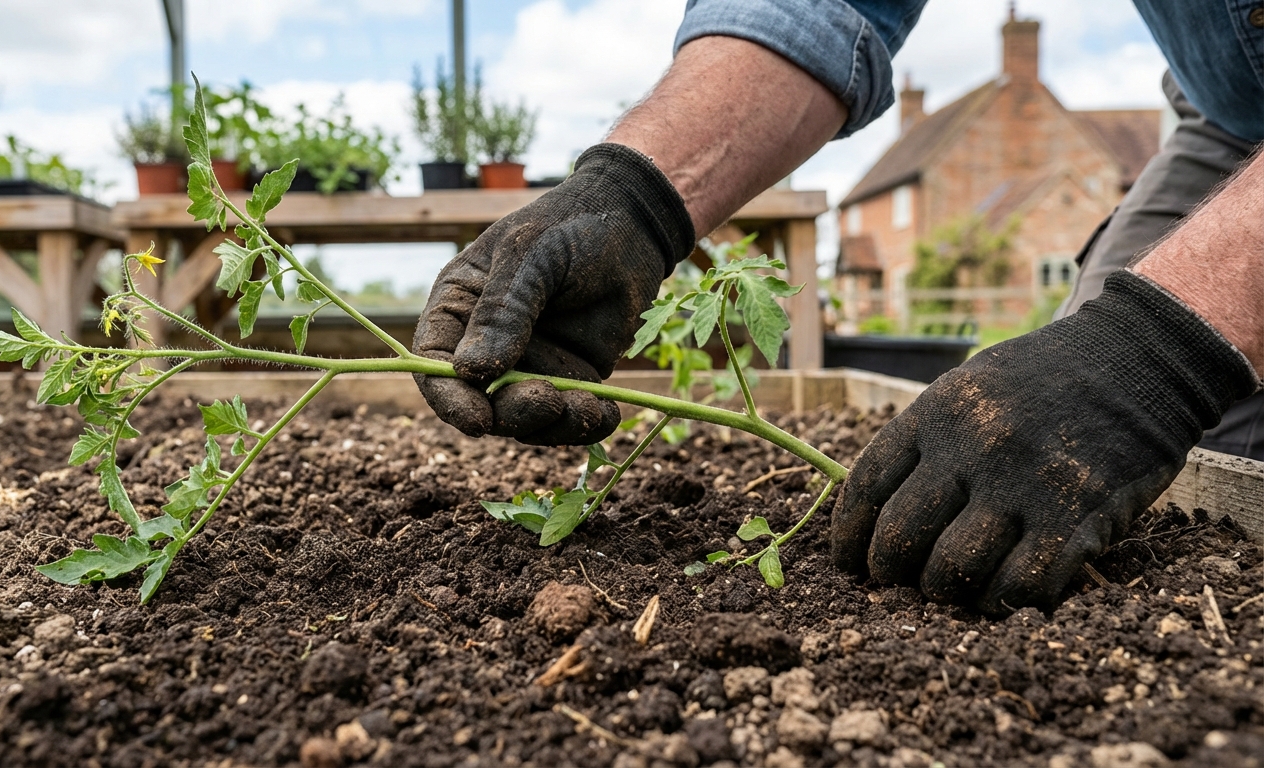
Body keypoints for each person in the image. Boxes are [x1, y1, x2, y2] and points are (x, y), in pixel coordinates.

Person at [412, 0, 1263, 615]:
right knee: (1116, 472)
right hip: (1230, 119)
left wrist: (1155, 352)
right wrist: (634, 193)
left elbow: (1146, 363)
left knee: (1155, 408)